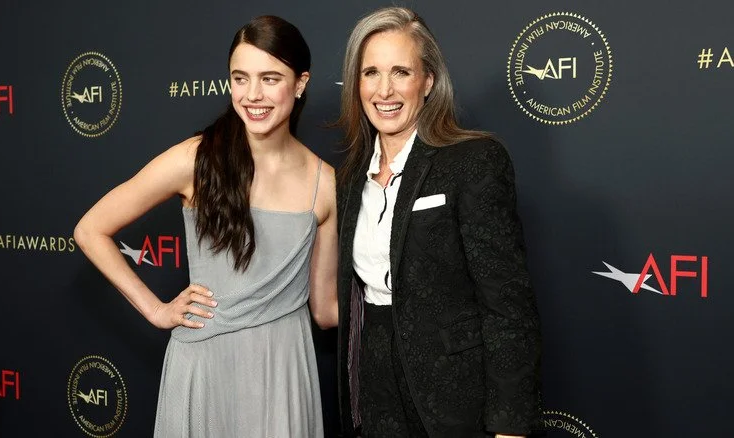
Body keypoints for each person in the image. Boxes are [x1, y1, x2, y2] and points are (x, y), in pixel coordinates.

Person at [73, 15, 338, 438]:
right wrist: (157, 310)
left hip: (284, 368)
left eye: (270, 78)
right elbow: (91, 229)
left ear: (301, 83)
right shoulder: (195, 160)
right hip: (205, 365)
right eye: (240, 78)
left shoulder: (325, 184)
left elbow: (325, 310)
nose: (253, 95)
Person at [334, 7, 542, 438]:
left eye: (401, 72)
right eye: (370, 72)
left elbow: (507, 306)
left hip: (456, 401)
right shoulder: (350, 179)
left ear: (427, 81)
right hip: (375, 397)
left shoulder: (472, 161)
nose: (384, 89)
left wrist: (510, 426)